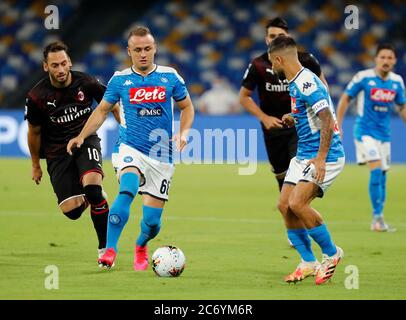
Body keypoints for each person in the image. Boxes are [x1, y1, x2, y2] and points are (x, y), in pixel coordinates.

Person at [67, 26, 195, 270]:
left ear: (155, 48)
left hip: (161, 155)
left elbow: (187, 107)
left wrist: (183, 132)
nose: (143, 54)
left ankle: (141, 244)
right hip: (129, 147)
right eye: (138, 50)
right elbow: (102, 111)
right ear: (129, 51)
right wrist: (81, 136)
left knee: (152, 223)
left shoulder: (170, 77)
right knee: (127, 189)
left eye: (147, 49)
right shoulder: (120, 80)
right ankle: (110, 250)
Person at [25, 41, 120, 264]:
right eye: (55, 65)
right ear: (46, 66)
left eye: (64, 63)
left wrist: (123, 125)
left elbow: (111, 103)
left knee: (93, 189)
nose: (61, 69)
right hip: (56, 152)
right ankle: (91, 196)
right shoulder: (37, 96)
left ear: (70, 62)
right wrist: (35, 165)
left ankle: (105, 250)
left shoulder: (85, 82)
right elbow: (34, 133)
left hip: (85, 141)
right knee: (72, 212)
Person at [268, 35, 345, 285]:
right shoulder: (296, 82)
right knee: (284, 206)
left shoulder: (307, 83)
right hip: (303, 155)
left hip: (325, 156)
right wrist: (294, 116)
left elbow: (326, 118)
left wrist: (321, 158)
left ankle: (332, 254)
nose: (273, 68)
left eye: (273, 63)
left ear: (279, 58)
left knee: (298, 204)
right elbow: (312, 112)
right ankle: (308, 262)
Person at [240, 17, 328, 191]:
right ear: (266, 39)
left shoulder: (306, 60)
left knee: (299, 177)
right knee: (282, 179)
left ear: (288, 37)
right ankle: (292, 214)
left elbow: (323, 87)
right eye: (272, 36)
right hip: (273, 129)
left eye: (280, 35)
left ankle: (300, 211)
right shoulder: (257, 65)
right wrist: (264, 118)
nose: (275, 39)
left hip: (300, 127)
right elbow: (243, 97)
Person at [337, 43, 406, 232]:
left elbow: (402, 107)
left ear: (394, 61)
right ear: (376, 59)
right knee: (376, 170)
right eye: (382, 57)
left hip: (384, 134)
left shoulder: (397, 81)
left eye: (390, 58)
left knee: (383, 175)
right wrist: (338, 125)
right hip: (364, 132)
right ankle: (376, 219)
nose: (386, 61)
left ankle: (379, 218)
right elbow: (345, 98)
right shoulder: (363, 77)